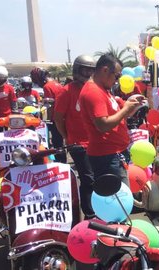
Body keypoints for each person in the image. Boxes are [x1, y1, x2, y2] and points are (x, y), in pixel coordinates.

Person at [79, 53, 142, 185]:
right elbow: (103, 125)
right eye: (117, 76)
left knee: (120, 198)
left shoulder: (103, 89)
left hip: (114, 154)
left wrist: (131, 106)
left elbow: (118, 115)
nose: (117, 81)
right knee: (119, 200)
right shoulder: (94, 91)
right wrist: (125, 109)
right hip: (107, 156)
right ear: (105, 70)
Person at [55, 55, 96, 219]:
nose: (88, 73)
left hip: (96, 143)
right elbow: (58, 119)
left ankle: (98, 210)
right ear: (77, 70)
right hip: (78, 144)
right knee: (88, 179)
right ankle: (89, 213)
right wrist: (67, 137)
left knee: (98, 178)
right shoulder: (66, 91)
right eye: (85, 69)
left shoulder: (94, 89)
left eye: (91, 70)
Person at [31, 67, 67, 162]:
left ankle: (61, 162)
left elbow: (50, 106)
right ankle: (62, 160)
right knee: (60, 141)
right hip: (63, 115)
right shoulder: (57, 83)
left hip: (56, 117)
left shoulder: (47, 86)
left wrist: (50, 120)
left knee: (57, 142)